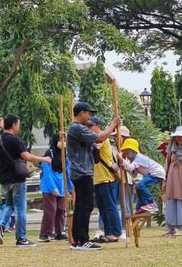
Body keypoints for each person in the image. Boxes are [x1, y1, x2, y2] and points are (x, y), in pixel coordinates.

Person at [66, 102, 120, 251]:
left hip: (80, 172)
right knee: (86, 205)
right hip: (83, 172)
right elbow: (100, 138)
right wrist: (113, 124)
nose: (89, 117)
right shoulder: (77, 128)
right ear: (81, 112)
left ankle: (78, 239)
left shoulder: (75, 129)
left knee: (81, 206)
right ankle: (82, 240)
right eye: (88, 113)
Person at [0, 114, 52, 247]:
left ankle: (1, 225)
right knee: (20, 209)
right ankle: (21, 238)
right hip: (17, 179)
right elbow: (26, 156)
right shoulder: (16, 140)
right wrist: (44, 159)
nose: (19, 127)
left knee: (8, 205)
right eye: (18, 124)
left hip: (4, 179)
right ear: (13, 125)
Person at [88, 117, 122, 243]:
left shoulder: (100, 137)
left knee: (110, 206)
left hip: (106, 177)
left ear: (98, 126)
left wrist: (113, 126)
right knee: (103, 207)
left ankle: (115, 232)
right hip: (97, 178)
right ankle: (108, 232)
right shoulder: (94, 137)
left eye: (90, 126)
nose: (88, 128)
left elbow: (97, 143)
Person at [117, 138, 165, 214]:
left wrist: (121, 159)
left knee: (140, 185)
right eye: (125, 154)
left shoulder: (139, 157)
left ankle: (152, 203)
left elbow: (130, 167)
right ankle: (144, 205)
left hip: (156, 172)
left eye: (127, 153)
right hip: (153, 173)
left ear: (133, 151)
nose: (127, 156)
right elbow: (134, 174)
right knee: (137, 186)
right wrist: (125, 167)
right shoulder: (134, 160)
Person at [38, 133, 72, 242]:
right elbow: (46, 172)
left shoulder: (64, 155)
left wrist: (70, 188)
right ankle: (45, 233)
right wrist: (53, 188)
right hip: (49, 186)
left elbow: (67, 171)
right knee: (51, 210)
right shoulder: (49, 153)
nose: (63, 142)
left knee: (61, 210)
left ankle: (59, 232)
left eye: (65, 139)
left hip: (61, 185)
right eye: (61, 139)